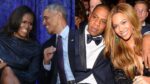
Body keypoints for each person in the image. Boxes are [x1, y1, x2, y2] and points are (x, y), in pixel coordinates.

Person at [104, 3, 150, 84]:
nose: (120, 29)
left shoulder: (147, 42)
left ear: (132, 20)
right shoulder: (116, 55)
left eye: (124, 22)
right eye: (116, 26)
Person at [74, 4, 115, 84]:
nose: (97, 24)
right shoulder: (73, 37)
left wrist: (147, 34)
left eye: (103, 21)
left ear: (107, 26)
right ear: (89, 16)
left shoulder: (111, 42)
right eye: (95, 17)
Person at [0, 5, 41, 84]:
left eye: (30, 24)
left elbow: (31, 77)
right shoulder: (1, 38)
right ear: (16, 20)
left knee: (7, 71)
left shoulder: (35, 47)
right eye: (24, 22)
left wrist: (7, 67)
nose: (27, 27)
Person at [38, 3, 76, 84]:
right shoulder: (47, 46)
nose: (43, 23)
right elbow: (42, 81)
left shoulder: (78, 37)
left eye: (46, 18)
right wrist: (46, 63)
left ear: (58, 15)